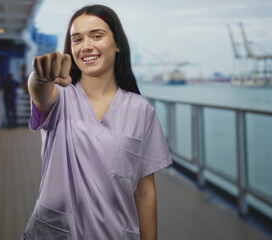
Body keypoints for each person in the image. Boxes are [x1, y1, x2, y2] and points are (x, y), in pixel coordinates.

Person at [23, 4, 172, 240]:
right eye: (77, 39)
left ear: (118, 44)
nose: (86, 46)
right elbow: (39, 91)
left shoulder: (140, 110)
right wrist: (40, 76)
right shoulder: (60, 98)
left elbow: (144, 190)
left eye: (96, 36)